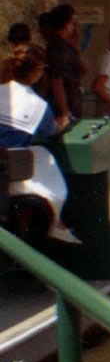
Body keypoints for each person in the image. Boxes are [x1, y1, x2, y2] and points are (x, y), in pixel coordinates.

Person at [0, 44, 81, 244]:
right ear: (36, 72)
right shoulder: (37, 105)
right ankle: (56, 222)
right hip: (12, 174)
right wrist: (62, 123)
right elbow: (49, 131)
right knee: (42, 156)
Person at [45, 4, 88, 126]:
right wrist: (65, 111)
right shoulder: (56, 47)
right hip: (64, 103)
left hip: (74, 99)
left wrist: (77, 49)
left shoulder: (67, 45)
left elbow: (84, 70)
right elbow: (56, 81)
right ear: (66, 23)